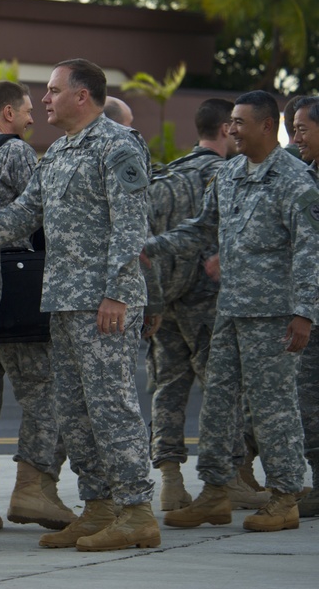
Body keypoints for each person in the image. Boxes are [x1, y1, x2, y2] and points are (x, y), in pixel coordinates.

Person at [0, 59, 160, 552]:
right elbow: (24, 213)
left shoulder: (118, 145)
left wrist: (117, 291)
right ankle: (98, 508)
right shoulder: (57, 154)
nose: (44, 100)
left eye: (52, 91)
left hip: (104, 304)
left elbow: (131, 223)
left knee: (113, 408)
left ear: (82, 96)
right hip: (65, 303)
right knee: (75, 413)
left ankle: (136, 511)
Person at [147, 90, 319, 533]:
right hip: (230, 311)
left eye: (241, 122)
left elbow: (310, 250)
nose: (232, 130)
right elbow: (203, 228)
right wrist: (153, 246)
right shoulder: (229, 174)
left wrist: (304, 312)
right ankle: (216, 492)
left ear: (267, 127)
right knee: (219, 405)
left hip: (274, 316)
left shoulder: (296, 181)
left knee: (274, 407)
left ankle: (284, 497)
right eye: (231, 123)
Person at [0, 81, 76, 533]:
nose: (33, 118)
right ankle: (30, 487)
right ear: (7, 113)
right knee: (42, 392)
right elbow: (43, 215)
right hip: (17, 291)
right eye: (27, 110)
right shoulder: (18, 154)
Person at [145, 99, 254, 511]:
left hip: (167, 294)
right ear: (227, 128)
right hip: (208, 299)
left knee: (168, 387)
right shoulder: (229, 175)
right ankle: (230, 477)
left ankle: (171, 481)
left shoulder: (170, 173)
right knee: (222, 388)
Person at [288, 95, 319, 518]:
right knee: (307, 403)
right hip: (311, 310)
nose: (296, 137)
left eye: (302, 129)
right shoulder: (304, 180)